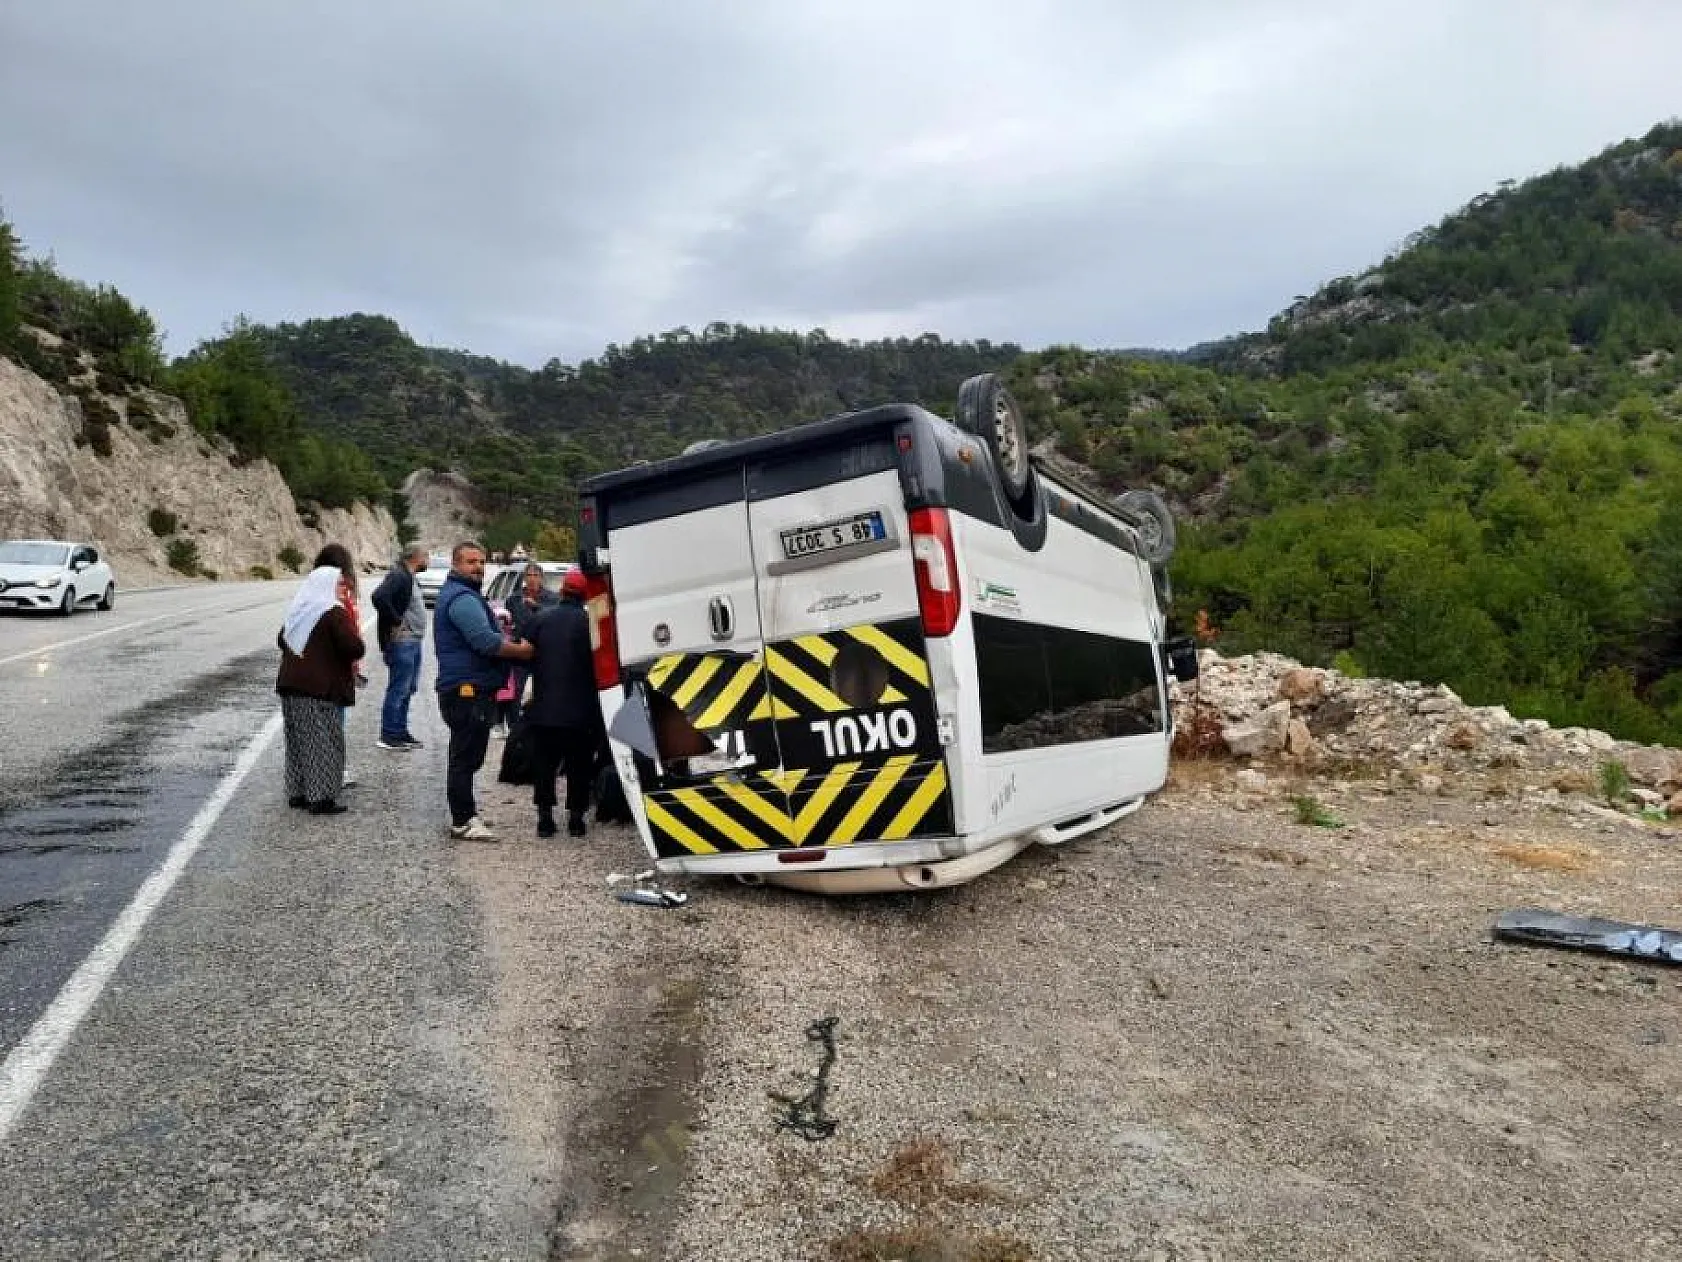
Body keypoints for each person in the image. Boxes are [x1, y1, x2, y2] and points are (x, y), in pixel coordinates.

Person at [433, 540, 534, 841]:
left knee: (468, 753)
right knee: (465, 756)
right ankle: (463, 820)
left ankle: (466, 813)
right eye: (470, 562)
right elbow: (486, 642)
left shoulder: (464, 595)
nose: (477, 567)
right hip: (466, 690)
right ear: (455, 564)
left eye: (481, 561)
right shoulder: (462, 599)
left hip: (469, 687)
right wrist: (523, 652)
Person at [276, 565, 365, 815]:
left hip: (290, 685)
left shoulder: (300, 609)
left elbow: (282, 640)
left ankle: (298, 792)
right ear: (326, 586)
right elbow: (353, 648)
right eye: (340, 584)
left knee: (297, 741)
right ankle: (321, 798)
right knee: (323, 741)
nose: (344, 589)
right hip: (317, 687)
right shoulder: (333, 612)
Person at [524, 568, 603, 837]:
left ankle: (545, 819)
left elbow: (524, 653)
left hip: (545, 707)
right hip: (581, 711)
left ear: (561, 590)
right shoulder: (591, 624)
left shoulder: (541, 619)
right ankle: (576, 820)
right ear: (585, 594)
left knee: (544, 766)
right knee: (579, 765)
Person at [370, 543, 430, 751]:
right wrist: (396, 621)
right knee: (398, 689)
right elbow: (378, 597)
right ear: (415, 556)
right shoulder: (399, 575)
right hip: (402, 642)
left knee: (407, 689)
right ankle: (389, 735)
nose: (428, 559)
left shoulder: (409, 576)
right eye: (426, 555)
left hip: (413, 641)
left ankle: (400, 732)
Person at [498, 562, 559, 735]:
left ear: (541, 578)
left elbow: (555, 618)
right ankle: (514, 725)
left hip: (543, 650)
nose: (532, 579)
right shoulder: (514, 598)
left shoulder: (552, 599)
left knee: (545, 688)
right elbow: (508, 623)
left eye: (535, 575)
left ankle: (543, 723)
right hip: (520, 650)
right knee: (516, 689)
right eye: (529, 575)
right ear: (524, 578)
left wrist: (537, 606)